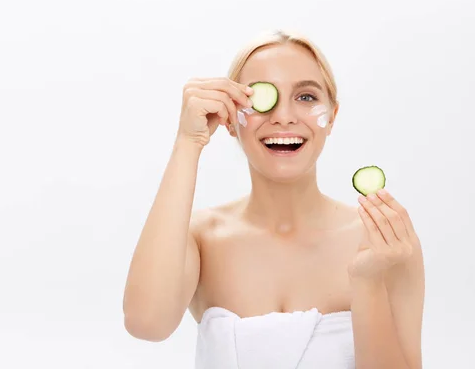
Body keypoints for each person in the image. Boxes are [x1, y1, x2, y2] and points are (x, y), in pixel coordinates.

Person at [122, 30, 426, 369]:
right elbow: (145, 324)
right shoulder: (200, 237)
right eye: (262, 98)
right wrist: (187, 142)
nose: (283, 116)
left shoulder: (385, 241)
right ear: (231, 120)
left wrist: (368, 284)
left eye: (307, 97)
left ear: (333, 118)